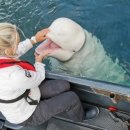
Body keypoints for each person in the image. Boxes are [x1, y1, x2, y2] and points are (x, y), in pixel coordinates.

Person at [0, 23, 84, 127]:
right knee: (72, 98)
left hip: (27, 93)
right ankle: (80, 118)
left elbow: (15, 52)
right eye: (17, 44)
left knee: (65, 85)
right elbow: (38, 78)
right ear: (8, 50)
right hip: (26, 115)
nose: (18, 46)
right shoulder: (13, 76)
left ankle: (52, 103)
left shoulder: (4, 54)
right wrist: (38, 62)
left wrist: (34, 39)